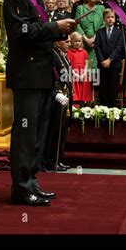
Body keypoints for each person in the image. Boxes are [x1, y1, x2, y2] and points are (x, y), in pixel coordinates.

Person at [3, 0, 77, 206]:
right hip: (28, 75)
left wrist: (60, 30)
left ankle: (32, 182)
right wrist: (53, 27)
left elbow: (39, 30)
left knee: (38, 133)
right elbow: (20, 33)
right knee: (25, 132)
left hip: (43, 73)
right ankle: (21, 188)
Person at [43, 35, 73, 173]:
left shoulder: (63, 55)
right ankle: (50, 161)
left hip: (65, 98)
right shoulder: (52, 55)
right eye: (66, 41)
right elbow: (51, 76)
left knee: (63, 131)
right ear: (57, 42)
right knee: (55, 132)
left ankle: (58, 159)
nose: (69, 44)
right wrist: (56, 93)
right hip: (57, 98)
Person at [95, 8, 124, 107]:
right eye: (108, 17)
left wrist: (110, 60)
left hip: (114, 64)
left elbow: (118, 48)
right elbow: (97, 47)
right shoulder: (100, 32)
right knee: (103, 85)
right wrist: (103, 60)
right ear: (104, 19)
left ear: (115, 19)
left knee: (113, 85)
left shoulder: (119, 32)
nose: (110, 19)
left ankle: (112, 106)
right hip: (102, 64)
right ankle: (103, 106)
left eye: (112, 17)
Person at [75, 0, 105, 70]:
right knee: (83, 69)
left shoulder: (101, 8)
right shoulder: (80, 8)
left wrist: (94, 38)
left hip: (97, 43)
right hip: (82, 43)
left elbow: (103, 24)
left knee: (95, 70)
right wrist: (86, 39)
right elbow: (77, 24)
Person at [67, 32, 92, 105]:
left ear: (81, 42)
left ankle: (83, 106)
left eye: (79, 41)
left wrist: (84, 73)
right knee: (75, 92)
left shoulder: (84, 52)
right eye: (75, 41)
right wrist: (75, 74)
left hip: (83, 75)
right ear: (71, 42)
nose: (77, 43)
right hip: (74, 75)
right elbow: (68, 65)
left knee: (83, 92)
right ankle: (75, 107)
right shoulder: (69, 52)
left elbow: (87, 64)